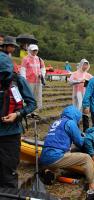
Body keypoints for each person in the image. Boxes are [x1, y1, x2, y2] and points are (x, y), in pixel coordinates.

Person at [39, 105, 94, 199]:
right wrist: (85, 138)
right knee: (86, 158)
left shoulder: (57, 122)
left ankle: (48, 171)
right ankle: (92, 185)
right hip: (55, 157)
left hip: (44, 156)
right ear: (76, 116)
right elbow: (80, 142)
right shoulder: (70, 123)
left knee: (65, 153)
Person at [0, 36, 37, 189]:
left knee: (8, 174)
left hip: (10, 134)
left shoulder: (17, 81)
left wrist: (18, 114)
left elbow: (32, 103)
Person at [20, 44, 46, 111]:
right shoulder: (25, 59)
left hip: (38, 81)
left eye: (36, 50)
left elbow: (43, 68)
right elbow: (23, 70)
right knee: (29, 96)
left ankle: (36, 110)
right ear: (29, 50)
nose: (35, 52)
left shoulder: (39, 59)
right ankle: (27, 110)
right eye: (33, 50)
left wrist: (42, 75)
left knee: (37, 96)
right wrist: (24, 80)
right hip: (29, 81)